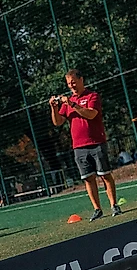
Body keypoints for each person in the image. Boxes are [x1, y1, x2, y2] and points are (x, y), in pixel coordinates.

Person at [50, 68, 121, 222]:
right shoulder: (67, 102)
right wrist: (54, 108)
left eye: (74, 82)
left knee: (104, 175)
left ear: (81, 80)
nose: (71, 86)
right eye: (69, 84)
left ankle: (114, 205)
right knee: (88, 178)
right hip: (78, 146)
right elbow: (58, 122)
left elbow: (91, 114)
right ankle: (97, 209)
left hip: (96, 142)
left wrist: (72, 104)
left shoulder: (92, 96)